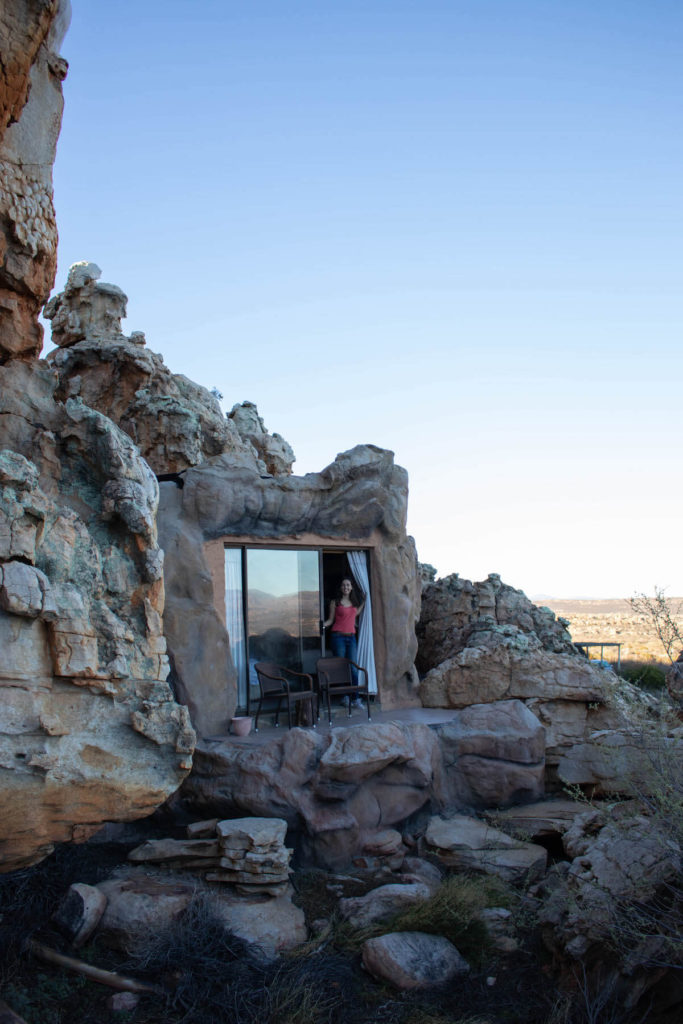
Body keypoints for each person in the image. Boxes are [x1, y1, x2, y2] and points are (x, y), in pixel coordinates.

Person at [323, 577, 365, 707]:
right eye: (343, 585)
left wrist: (364, 601)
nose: (346, 587)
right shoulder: (335, 602)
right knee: (340, 668)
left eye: (348, 585)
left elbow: (356, 614)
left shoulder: (354, 603)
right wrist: (320, 626)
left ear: (351, 587)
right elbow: (330, 620)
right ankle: (344, 697)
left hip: (351, 638)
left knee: (353, 668)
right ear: (341, 588)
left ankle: (356, 698)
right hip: (338, 637)